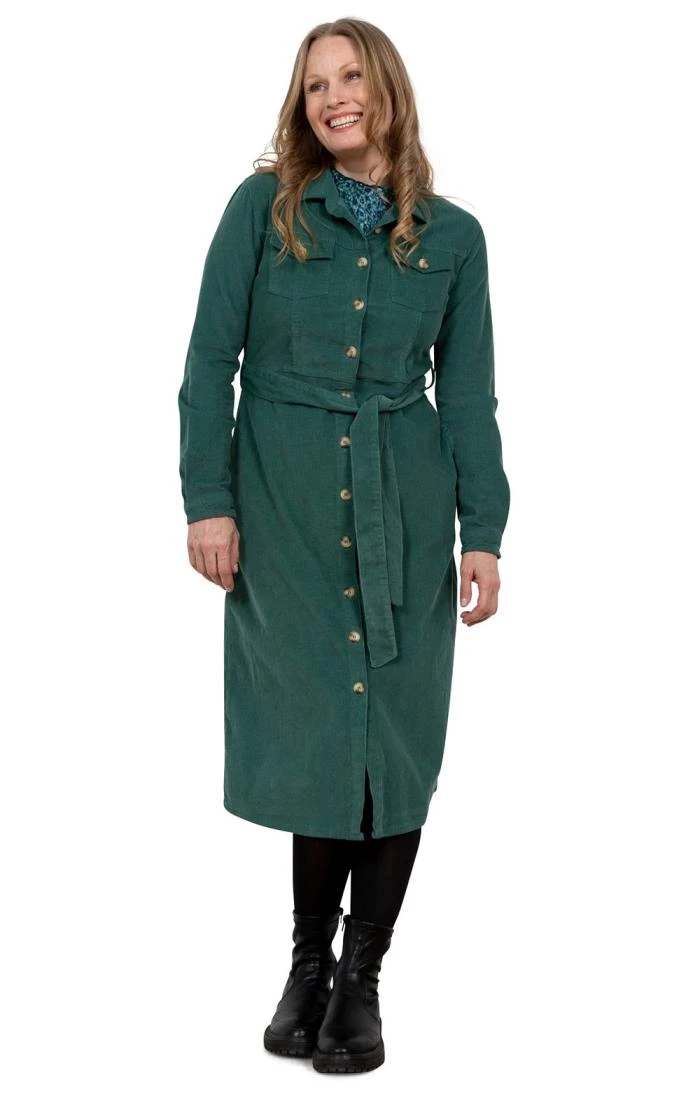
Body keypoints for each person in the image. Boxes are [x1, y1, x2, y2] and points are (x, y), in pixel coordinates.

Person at [177, 17, 510, 1074]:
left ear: (387, 89)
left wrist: (484, 531)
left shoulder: (454, 237)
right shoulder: (263, 207)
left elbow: (467, 395)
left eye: (351, 77)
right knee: (322, 731)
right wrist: (208, 499)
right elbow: (208, 361)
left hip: (405, 510)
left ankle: (361, 981)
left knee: (393, 739)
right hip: (284, 509)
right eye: (315, 84)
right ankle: (305, 968)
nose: (333, 98)